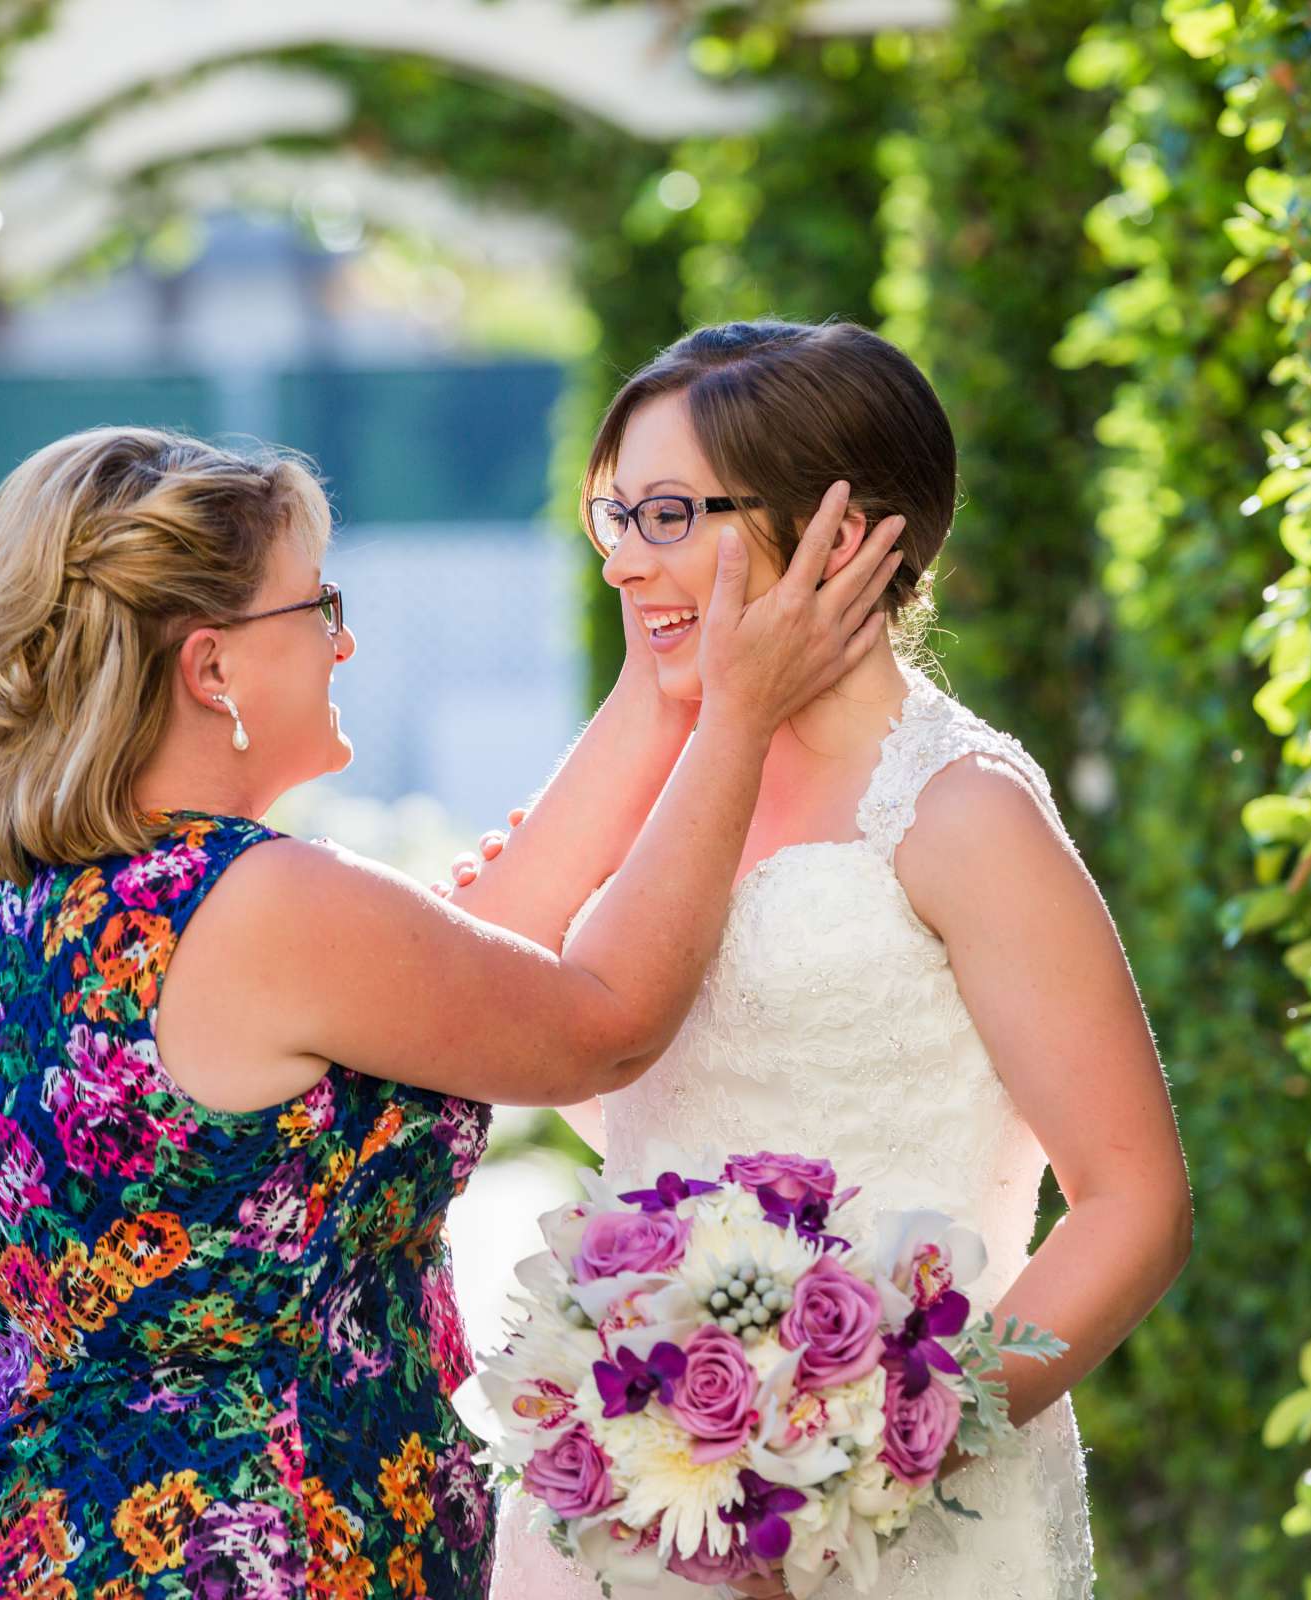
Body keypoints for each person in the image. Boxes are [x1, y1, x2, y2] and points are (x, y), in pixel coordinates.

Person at [0, 425, 901, 1598]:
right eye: (316, 607)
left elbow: (483, 958)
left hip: (40, 1539)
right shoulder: (263, 899)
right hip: (257, 1556)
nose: (346, 641)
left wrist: (661, 688)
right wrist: (740, 716)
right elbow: (606, 1019)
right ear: (211, 667)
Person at [456, 322, 1194, 1599]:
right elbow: (472, 1003)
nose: (625, 561)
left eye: (672, 513)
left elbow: (1133, 1199)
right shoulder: (664, 773)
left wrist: (893, 1447)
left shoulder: (962, 811)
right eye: (613, 515)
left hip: (889, 1527)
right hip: (623, 1498)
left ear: (840, 536)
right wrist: (666, 692)